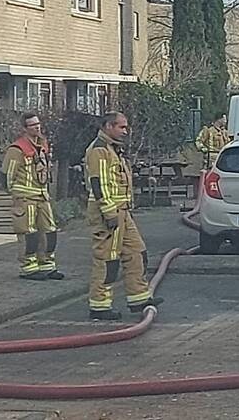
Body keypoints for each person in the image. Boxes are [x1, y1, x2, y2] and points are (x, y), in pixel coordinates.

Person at [85, 111, 163, 321]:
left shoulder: (113, 149)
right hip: (108, 212)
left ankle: (139, 297)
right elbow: (98, 183)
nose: (125, 131)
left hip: (122, 211)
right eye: (122, 127)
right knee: (107, 259)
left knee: (136, 251)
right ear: (108, 126)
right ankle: (100, 305)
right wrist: (109, 211)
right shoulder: (99, 151)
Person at [2, 113, 63, 281]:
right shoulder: (17, 149)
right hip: (25, 197)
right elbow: (8, 175)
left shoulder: (42, 145)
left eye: (38, 124)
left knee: (50, 230)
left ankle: (47, 265)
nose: (37, 127)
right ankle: (28, 268)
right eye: (32, 125)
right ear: (24, 129)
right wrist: (16, 195)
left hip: (42, 195)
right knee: (29, 232)